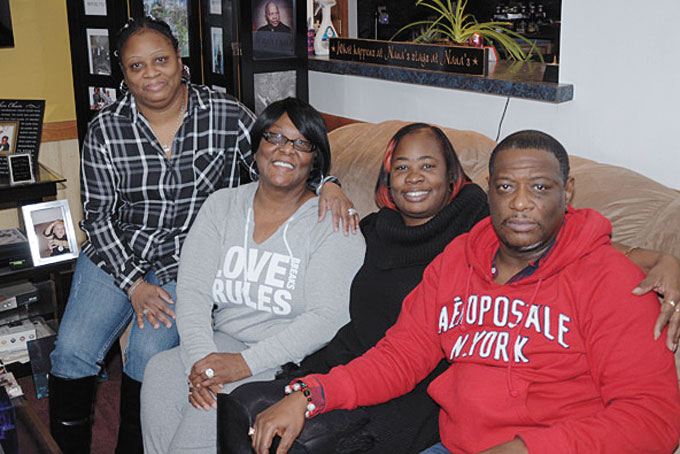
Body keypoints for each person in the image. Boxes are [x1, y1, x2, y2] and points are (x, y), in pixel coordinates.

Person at [249, 130, 680, 454]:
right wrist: (309, 396)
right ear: (488, 191)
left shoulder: (614, 281)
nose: (521, 203)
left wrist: (526, 449)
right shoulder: (458, 261)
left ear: (566, 193)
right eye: (506, 187)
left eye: (540, 188)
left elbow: (653, 419)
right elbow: (399, 356)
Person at [48, 16, 357, 454]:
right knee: (71, 350)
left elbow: (279, 154)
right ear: (123, 74)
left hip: (184, 258)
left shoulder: (226, 115)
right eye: (136, 66)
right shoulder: (105, 129)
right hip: (116, 252)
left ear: (180, 60)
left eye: (160, 60)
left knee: (148, 353)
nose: (151, 73)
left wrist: (330, 182)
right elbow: (98, 218)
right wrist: (134, 284)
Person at [140, 97, 365, 454]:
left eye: (300, 143)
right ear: (257, 146)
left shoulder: (334, 224)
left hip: (287, 359)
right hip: (225, 342)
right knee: (160, 371)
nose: (285, 150)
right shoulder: (221, 206)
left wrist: (241, 366)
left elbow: (328, 319)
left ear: (314, 160)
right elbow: (194, 291)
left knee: (205, 414)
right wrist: (202, 363)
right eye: (274, 137)